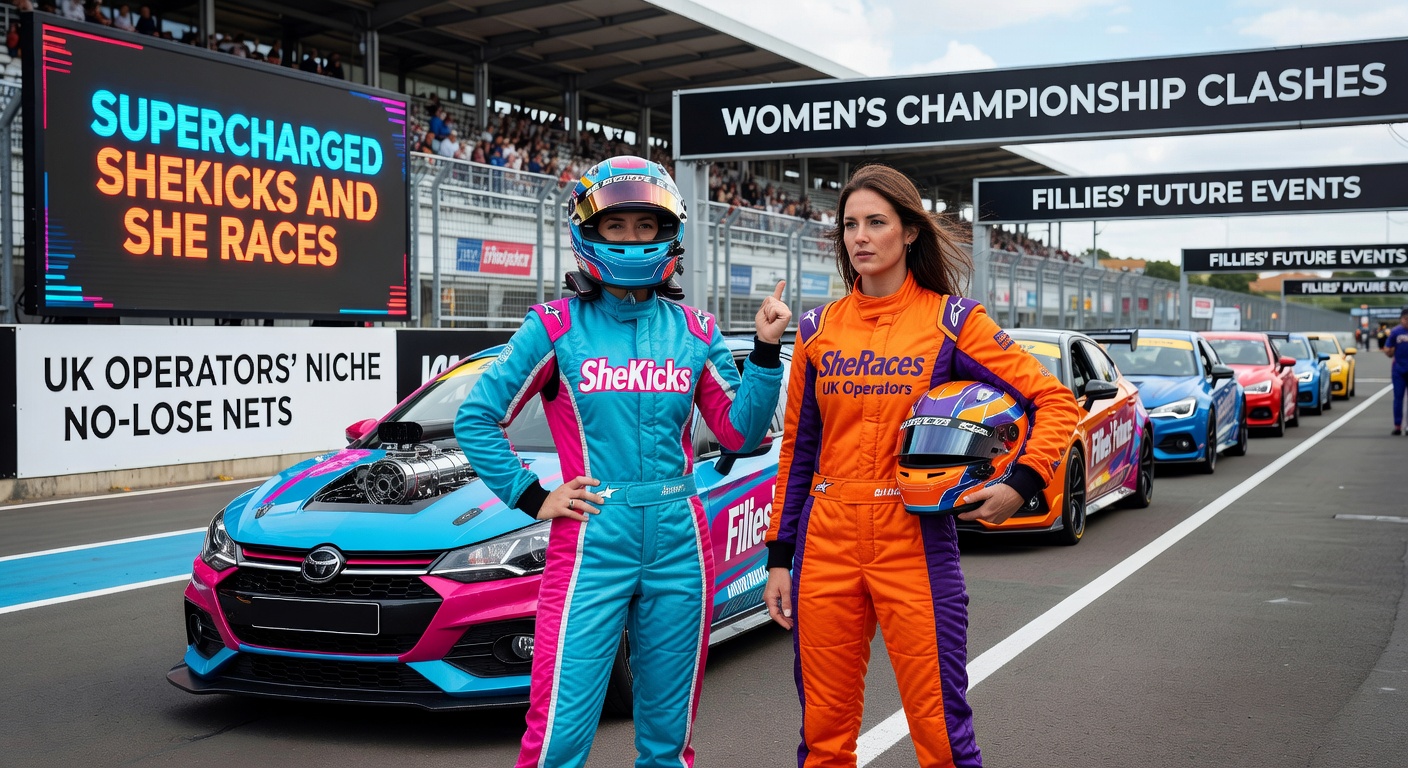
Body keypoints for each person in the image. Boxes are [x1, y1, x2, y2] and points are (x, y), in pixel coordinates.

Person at [456, 155, 790, 768]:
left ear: (670, 233)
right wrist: (533, 497)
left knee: (667, 741)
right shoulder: (554, 326)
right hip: (591, 537)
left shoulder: (697, 330)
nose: (632, 239)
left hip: (679, 539)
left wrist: (766, 354)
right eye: (616, 227)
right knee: (558, 733)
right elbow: (476, 418)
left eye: (646, 225)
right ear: (589, 232)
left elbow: (739, 435)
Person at [762, 164, 1082, 768]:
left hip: (915, 540)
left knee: (940, 734)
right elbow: (797, 455)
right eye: (850, 224)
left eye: (876, 223)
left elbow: (1055, 401)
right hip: (823, 546)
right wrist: (780, 556)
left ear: (909, 232)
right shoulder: (815, 330)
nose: (860, 237)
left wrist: (1022, 481)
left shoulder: (954, 321)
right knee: (822, 738)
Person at [1384, 309, 1408, 434]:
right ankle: (1397, 425)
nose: (1407, 321)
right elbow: (1387, 348)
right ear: (1401, 319)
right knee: (1398, 398)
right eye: (1405, 319)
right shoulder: (1396, 332)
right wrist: (1389, 351)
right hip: (1399, 369)